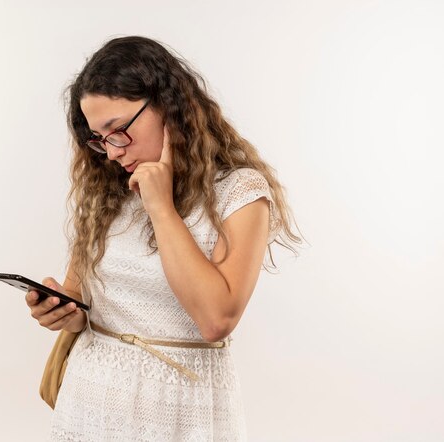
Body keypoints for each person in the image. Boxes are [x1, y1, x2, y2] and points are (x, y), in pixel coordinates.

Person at [26, 35, 302, 441]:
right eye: (99, 139)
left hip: (181, 412)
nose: (113, 152)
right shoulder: (108, 191)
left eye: (117, 130)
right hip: (89, 404)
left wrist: (161, 208)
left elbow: (216, 318)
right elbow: (82, 296)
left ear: (169, 107)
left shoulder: (240, 193)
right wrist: (63, 309)